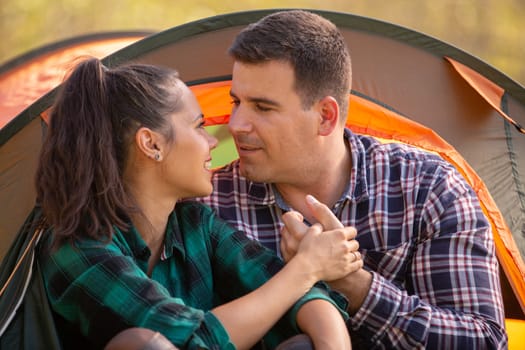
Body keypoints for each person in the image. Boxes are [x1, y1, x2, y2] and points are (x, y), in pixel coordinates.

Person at [196, 9, 508, 349]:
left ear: (326, 117)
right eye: (236, 102)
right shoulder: (208, 203)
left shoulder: (428, 188)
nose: (236, 124)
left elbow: (484, 341)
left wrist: (354, 285)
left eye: (263, 107)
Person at [35, 58, 360, 350]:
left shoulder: (195, 223)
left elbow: (301, 293)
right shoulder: (76, 249)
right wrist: (305, 267)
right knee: (141, 346)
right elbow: (189, 341)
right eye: (199, 126)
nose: (213, 141)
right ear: (152, 144)